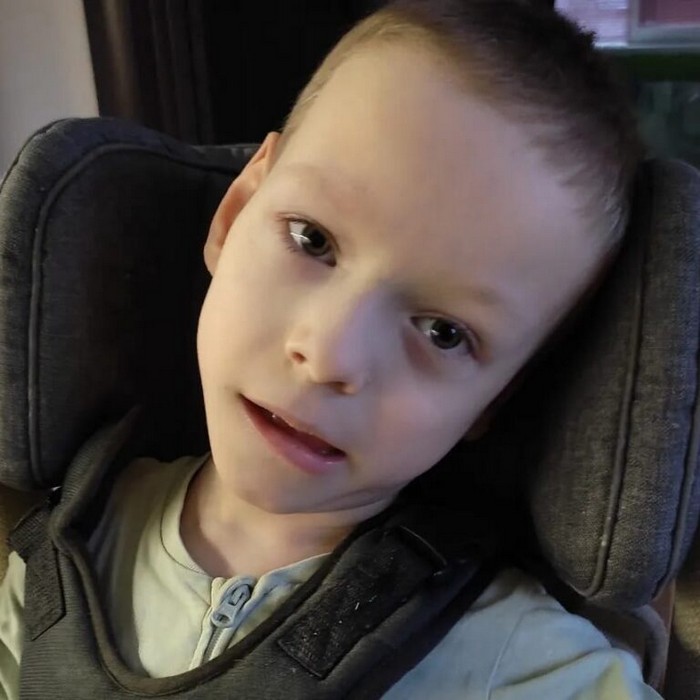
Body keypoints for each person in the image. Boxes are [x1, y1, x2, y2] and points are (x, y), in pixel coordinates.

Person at [0, 0, 662, 697]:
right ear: (235, 213)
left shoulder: (523, 664)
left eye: (443, 332)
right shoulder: (62, 551)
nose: (329, 355)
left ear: (495, 398)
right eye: (311, 239)